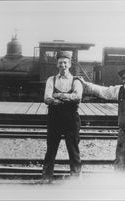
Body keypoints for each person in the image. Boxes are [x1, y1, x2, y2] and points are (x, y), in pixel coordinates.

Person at [78, 63, 125, 174]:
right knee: (119, 161)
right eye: (123, 74)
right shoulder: (119, 90)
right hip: (124, 132)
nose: (124, 78)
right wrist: (85, 84)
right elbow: (103, 91)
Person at [42, 51, 83, 181]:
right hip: (54, 119)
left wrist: (59, 96)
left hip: (71, 120)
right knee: (51, 149)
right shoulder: (51, 80)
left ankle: (75, 178)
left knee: (73, 149)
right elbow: (47, 99)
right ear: (57, 64)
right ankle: (46, 177)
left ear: (70, 64)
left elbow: (77, 97)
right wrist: (66, 98)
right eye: (60, 63)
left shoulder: (76, 80)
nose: (63, 65)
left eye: (65, 62)